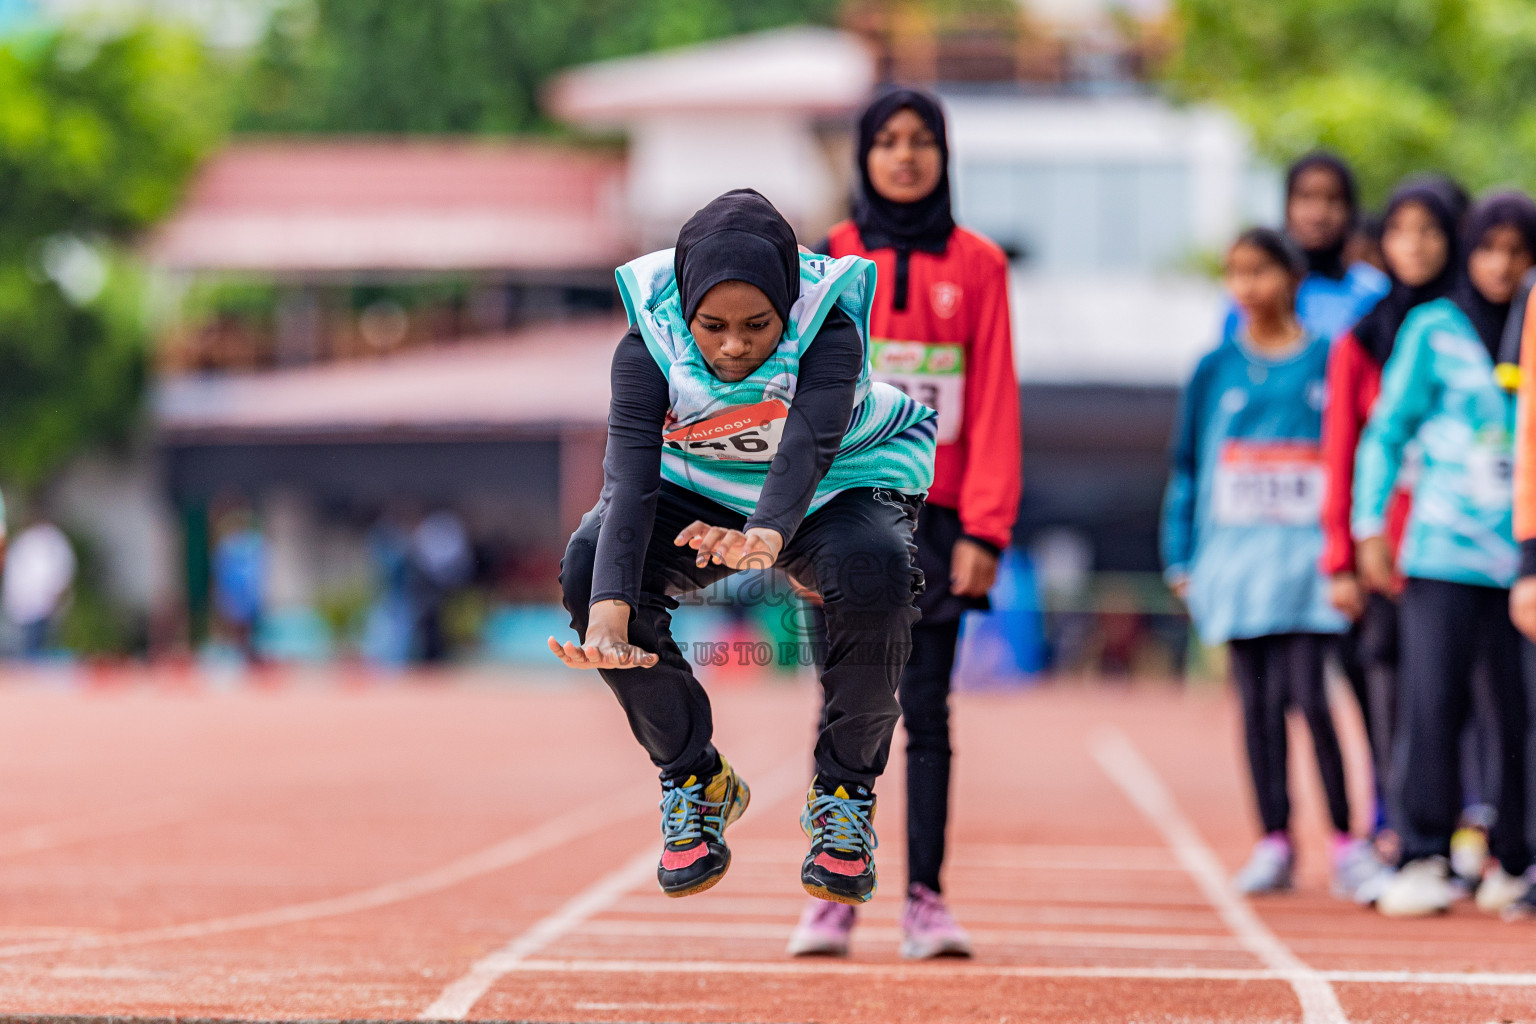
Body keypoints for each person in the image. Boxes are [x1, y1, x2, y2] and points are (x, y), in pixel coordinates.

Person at [550, 189, 937, 906]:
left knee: (877, 572)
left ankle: (844, 797)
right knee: (589, 564)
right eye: (714, 327)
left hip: (836, 484)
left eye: (757, 326)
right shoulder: (646, 344)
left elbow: (807, 444)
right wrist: (606, 613)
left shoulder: (829, 327)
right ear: (685, 312)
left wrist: (765, 536)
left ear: (787, 307)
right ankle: (696, 779)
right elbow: (629, 477)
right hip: (699, 484)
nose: (734, 346)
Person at [787, 87, 1021, 961]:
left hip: (945, 520)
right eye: (889, 141)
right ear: (865, 156)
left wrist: (986, 531)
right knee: (847, 704)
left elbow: (995, 397)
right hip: (844, 517)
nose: (906, 155)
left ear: (943, 156)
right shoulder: (829, 262)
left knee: (927, 709)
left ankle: (925, 898)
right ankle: (834, 897)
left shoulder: (981, 267)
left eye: (923, 140)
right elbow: (803, 403)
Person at [1163, 228, 1365, 897]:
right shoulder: (1213, 366)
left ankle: (1345, 841)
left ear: (1293, 277)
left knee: (1311, 695)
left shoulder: (1330, 358)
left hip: (1308, 560)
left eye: (1261, 271)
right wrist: (1180, 556)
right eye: (1236, 273)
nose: (1248, 287)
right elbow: (1189, 465)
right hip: (1236, 563)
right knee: (1256, 704)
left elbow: (1352, 451)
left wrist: (1349, 546)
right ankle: (1274, 839)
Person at [1354, 192, 1536, 917]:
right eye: (1488, 248)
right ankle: (1424, 850)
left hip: (1523, 555)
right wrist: (1370, 526)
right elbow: (1387, 429)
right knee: (1432, 704)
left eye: (1518, 251)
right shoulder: (1433, 328)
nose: (1501, 265)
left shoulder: (1533, 328)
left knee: (1519, 711)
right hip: (1441, 552)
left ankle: (1515, 859)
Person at [1320, 180, 1460, 869]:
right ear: (1382, 245)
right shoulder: (1362, 339)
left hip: (1463, 543)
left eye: (1430, 231)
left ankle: (1471, 826)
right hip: (1384, 548)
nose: (1416, 246)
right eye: (1401, 232)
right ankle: (1394, 822)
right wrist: (1342, 555)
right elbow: (1342, 448)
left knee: (1465, 694)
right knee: (1391, 685)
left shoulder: (1480, 326)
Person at [1222, 152, 1388, 343]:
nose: (1319, 214)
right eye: (1306, 197)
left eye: (1333, 199)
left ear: (1350, 210)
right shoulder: (1252, 289)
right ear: (1287, 205)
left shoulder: (1373, 293)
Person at [3, 518, 76, 658]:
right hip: (26, 607)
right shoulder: (25, 541)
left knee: (41, 648)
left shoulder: (52, 540)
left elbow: (63, 569)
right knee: (27, 649)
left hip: (45, 606)